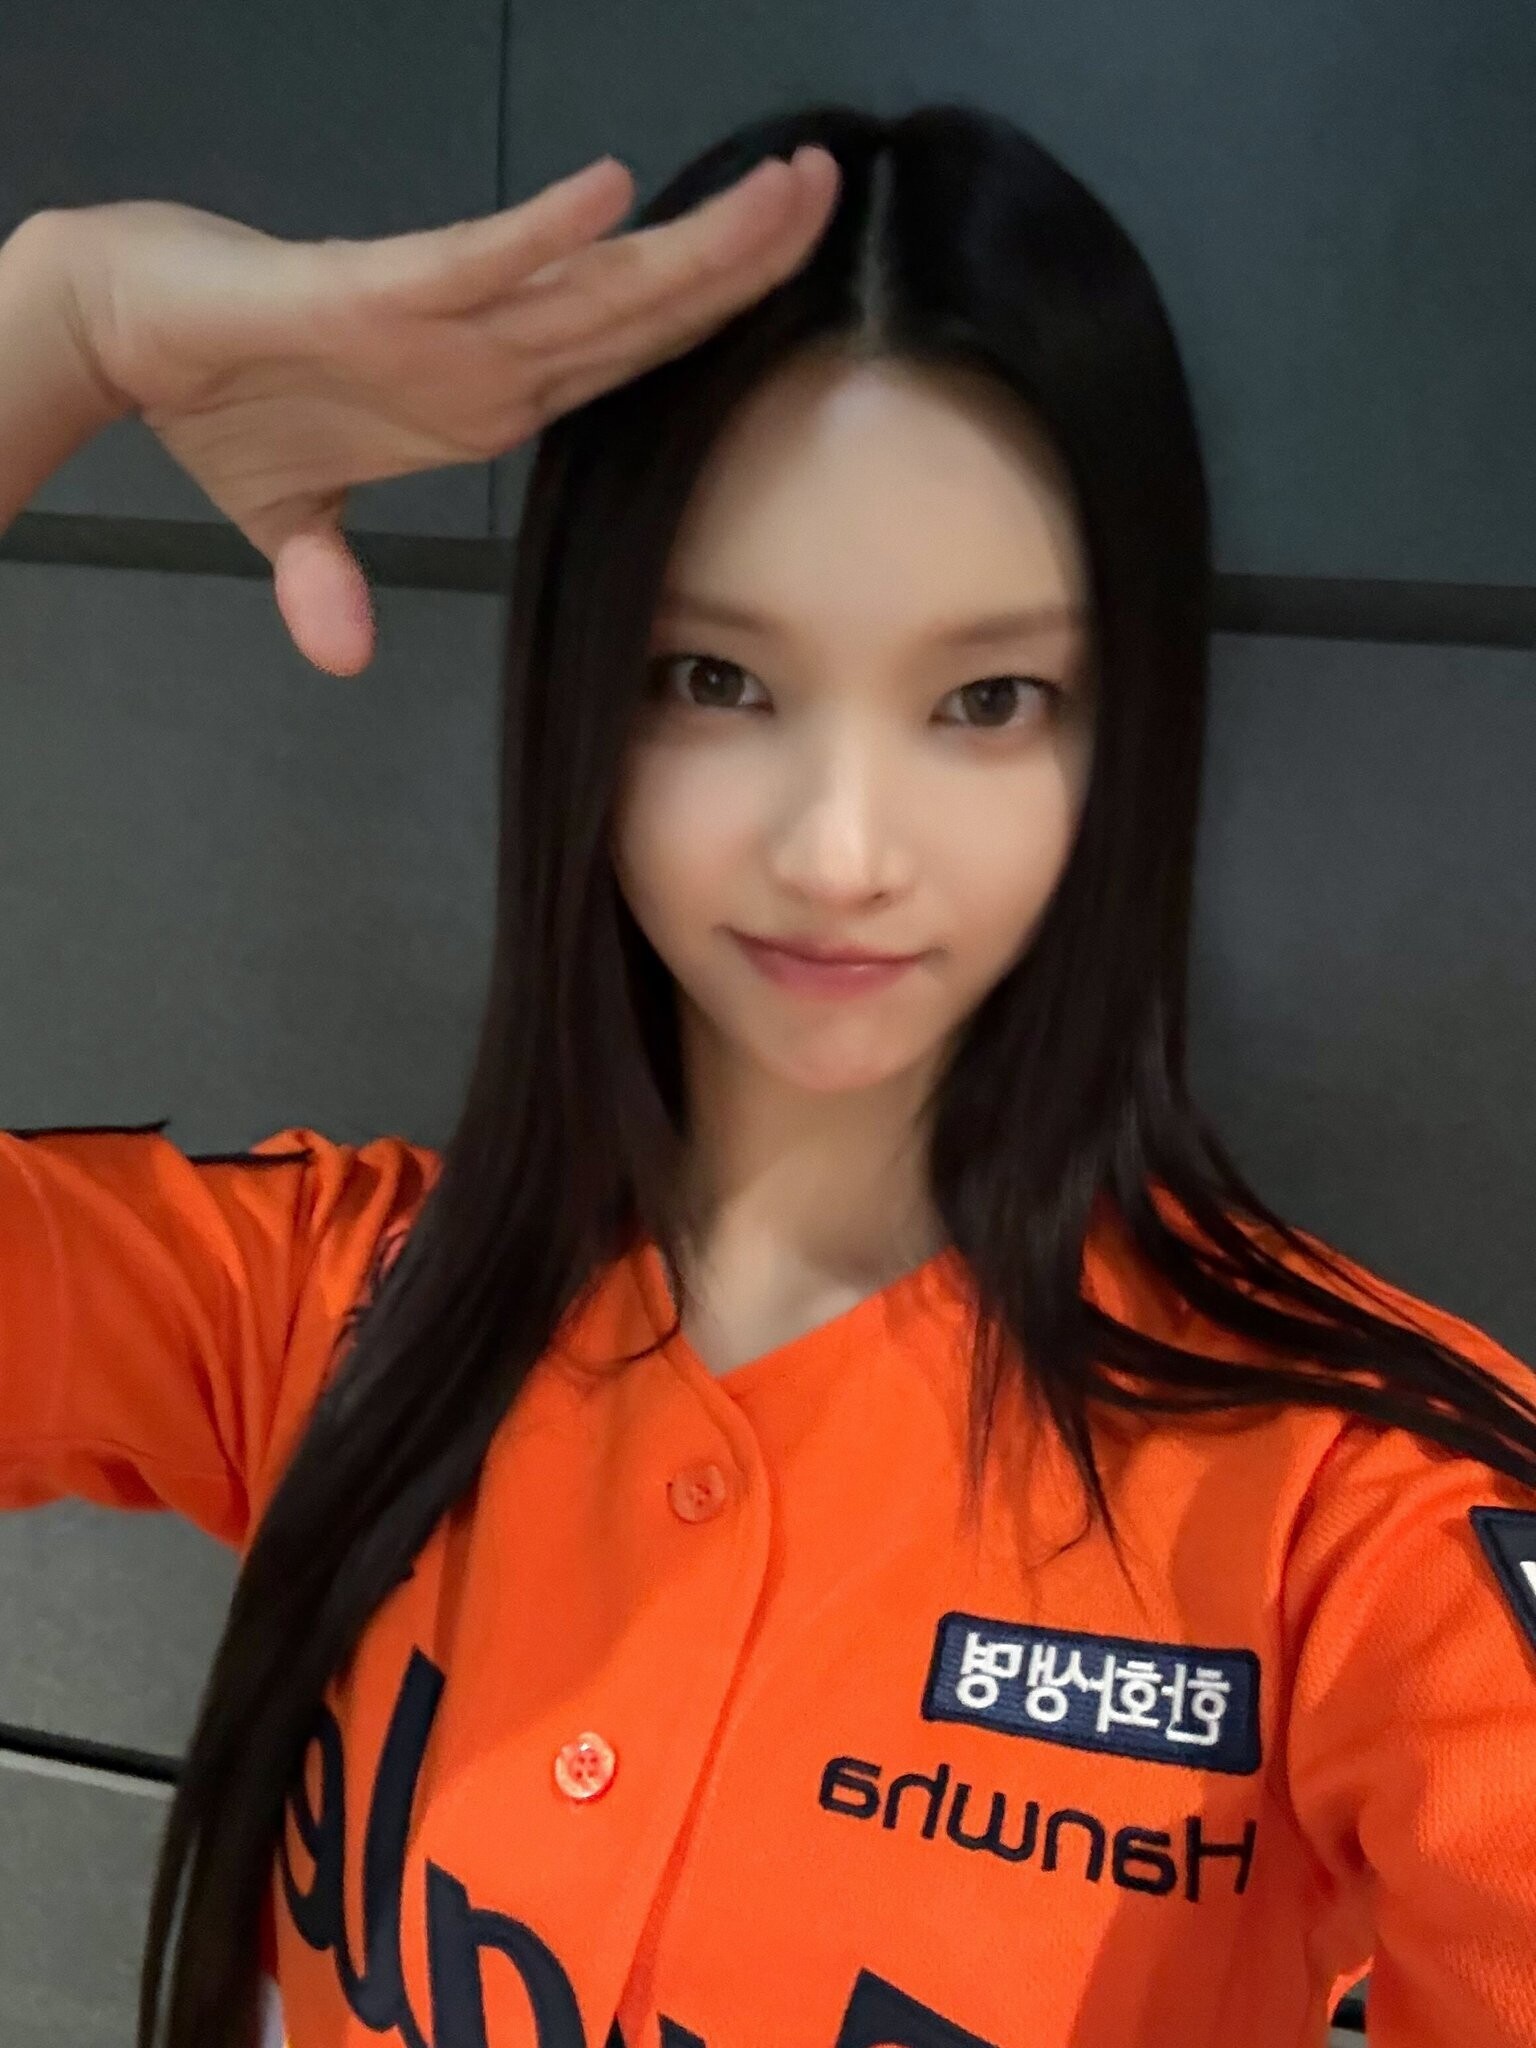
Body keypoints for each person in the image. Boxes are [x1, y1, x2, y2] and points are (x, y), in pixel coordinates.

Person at [0, 99, 1532, 2048]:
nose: (839, 850)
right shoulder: (328, 1306)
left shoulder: (1362, 1507)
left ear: (1124, 729)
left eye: (988, 698)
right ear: (585, 689)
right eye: (717, 678)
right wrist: (55, 328)